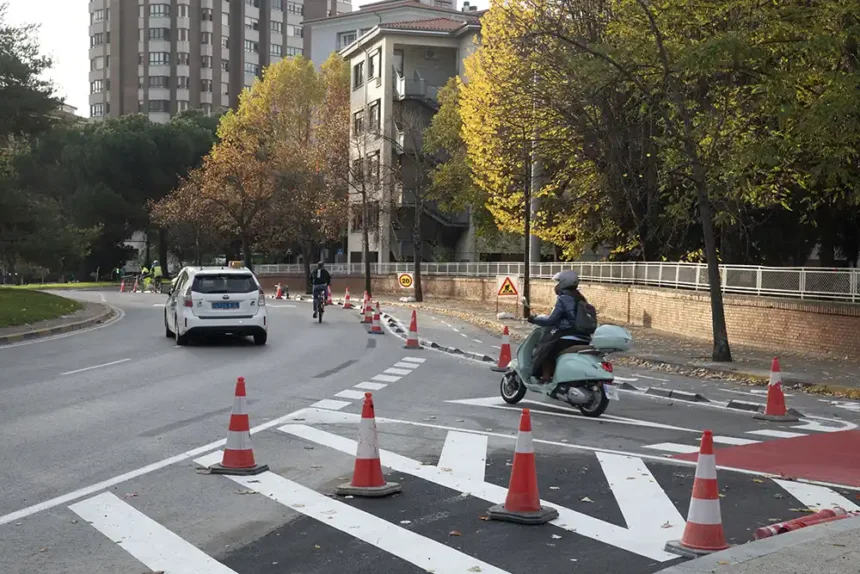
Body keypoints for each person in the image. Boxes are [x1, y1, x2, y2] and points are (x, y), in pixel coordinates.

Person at [528, 270, 592, 383]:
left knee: (545, 349)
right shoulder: (580, 298)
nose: (556, 286)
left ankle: (546, 376)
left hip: (566, 335)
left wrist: (534, 319)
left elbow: (551, 320)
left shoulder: (563, 299)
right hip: (584, 337)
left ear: (564, 283)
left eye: (558, 282)